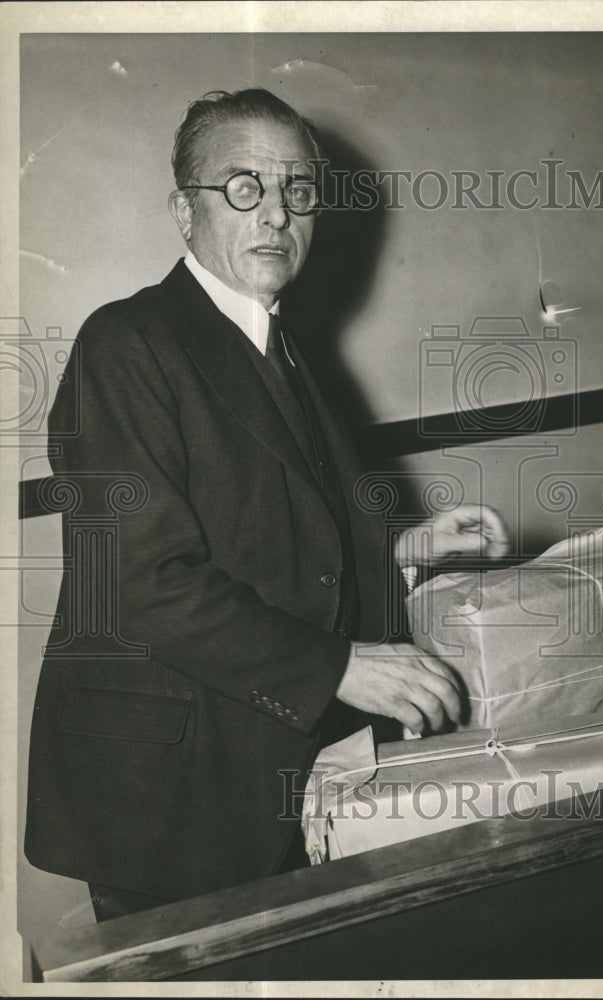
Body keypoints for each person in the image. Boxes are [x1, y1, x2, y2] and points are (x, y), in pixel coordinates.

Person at [24, 89, 509, 921]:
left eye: (297, 191)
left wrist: (402, 551)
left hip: (261, 762)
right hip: (170, 793)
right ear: (184, 211)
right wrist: (344, 666)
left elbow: (265, 543)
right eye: (244, 187)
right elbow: (142, 584)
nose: (276, 215)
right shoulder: (127, 342)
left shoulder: (273, 340)